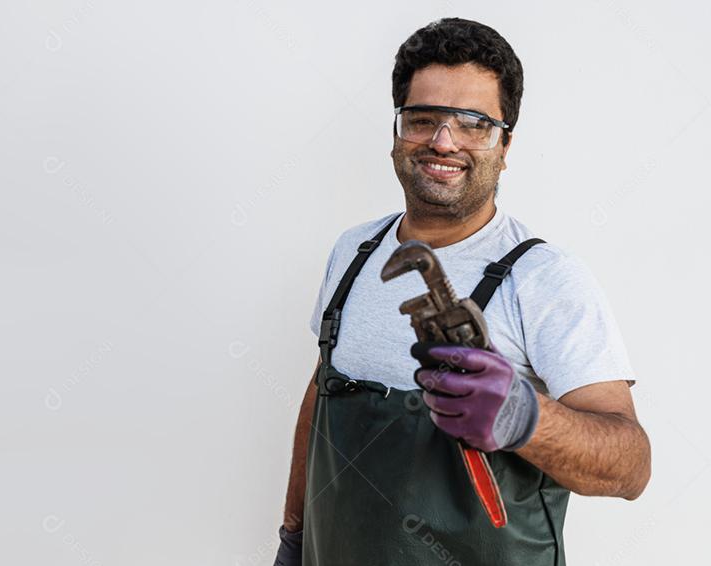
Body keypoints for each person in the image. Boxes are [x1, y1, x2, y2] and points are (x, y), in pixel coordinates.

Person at [272, 18, 651, 566]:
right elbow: (321, 395)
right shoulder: (353, 253)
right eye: (422, 119)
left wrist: (527, 417)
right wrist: (293, 535)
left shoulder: (545, 277)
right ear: (398, 131)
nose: (443, 141)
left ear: (504, 144)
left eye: (473, 123)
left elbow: (631, 468)